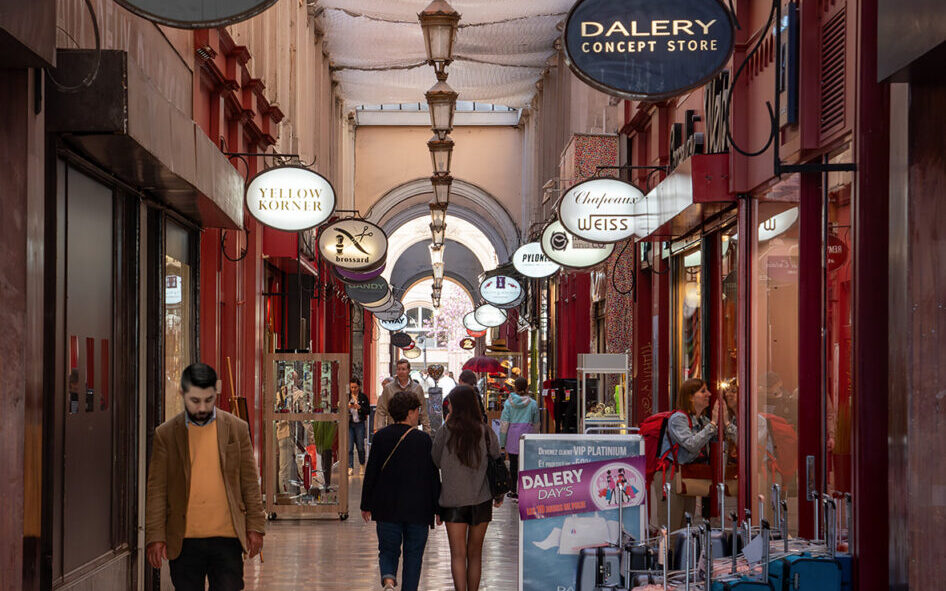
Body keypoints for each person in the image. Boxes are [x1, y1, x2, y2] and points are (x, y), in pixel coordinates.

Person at [145, 363, 265, 591]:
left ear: (216, 393)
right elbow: (157, 490)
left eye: (208, 400)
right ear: (182, 394)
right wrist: (155, 536)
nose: (202, 407)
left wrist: (256, 526)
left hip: (227, 538)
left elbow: (249, 481)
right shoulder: (166, 435)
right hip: (184, 540)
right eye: (195, 400)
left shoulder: (236, 429)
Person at [361, 391, 441, 591]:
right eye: (417, 411)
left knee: (387, 550)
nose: (418, 415)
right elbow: (432, 476)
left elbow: (371, 473)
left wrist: (366, 504)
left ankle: (388, 580)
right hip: (418, 508)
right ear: (410, 412)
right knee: (414, 555)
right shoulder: (423, 440)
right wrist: (438, 507)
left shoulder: (381, 438)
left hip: (387, 506)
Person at [432, 386, 503, 591]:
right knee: (475, 554)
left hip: (452, 500)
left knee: (458, 554)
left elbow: (435, 460)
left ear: (457, 405)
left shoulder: (445, 431)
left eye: (451, 403)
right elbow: (497, 459)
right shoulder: (486, 432)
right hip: (481, 500)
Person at [650, 378, 722, 531]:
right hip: (671, 475)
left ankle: (680, 554)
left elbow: (718, 441)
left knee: (685, 528)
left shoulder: (702, 420)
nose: (708, 394)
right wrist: (713, 424)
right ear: (690, 397)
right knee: (671, 529)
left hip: (686, 475)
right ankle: (667, 555)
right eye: (703, 391)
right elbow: (691, 444)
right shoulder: (678, 419)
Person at [499, 377, 540, 499]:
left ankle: (513, 490)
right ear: (527, 388)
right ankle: (525, 489)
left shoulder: (508, 403)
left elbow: (504, 423)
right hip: (527, 436)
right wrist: (535, 436)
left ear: (515, 388)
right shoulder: (533, 404)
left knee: (513, 464)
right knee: (526, 464)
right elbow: (536, 423)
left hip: (512, 436)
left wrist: (502, 441)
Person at [375, 359, 430, 432]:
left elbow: (423, 412)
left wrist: (427, 430)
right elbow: (381, 410)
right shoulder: (388, 388)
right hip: (393, 428)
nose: (401, 372)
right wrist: (378, 429)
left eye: (403, 369)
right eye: (398, 369)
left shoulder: (417, 388)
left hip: (411, 430)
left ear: (409, 371)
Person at [348, 377, 370, 475]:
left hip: (360, 424)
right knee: (349, 447)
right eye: (352, 387)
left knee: (360, 446)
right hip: (349, 424)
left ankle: (362, 465)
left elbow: (368, 411)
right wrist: (347, 407)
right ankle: (350, 466)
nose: (353, 389)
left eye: (355, 387)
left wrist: (359, 407)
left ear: (359, 387)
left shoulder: (363, 397)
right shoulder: (347, 397)